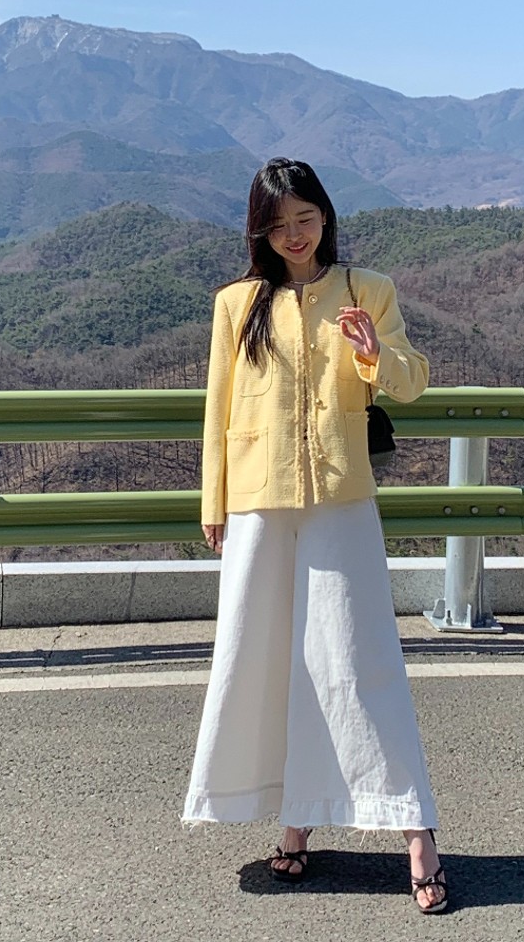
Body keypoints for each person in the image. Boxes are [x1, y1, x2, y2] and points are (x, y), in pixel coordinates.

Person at [181, 157, 448, 915]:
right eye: (278, 224)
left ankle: (417, 833)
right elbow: (218, 408)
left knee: (359, 660)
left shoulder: (368, 290)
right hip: (255, 502)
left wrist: (372, 350)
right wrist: (213, 503)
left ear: (325, 216)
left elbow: (411, 382)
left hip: (340, 499)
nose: (294, 235)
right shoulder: (237, 304)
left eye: (305, 218)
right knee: (264, 660)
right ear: (259, 232)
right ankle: (294, 822)